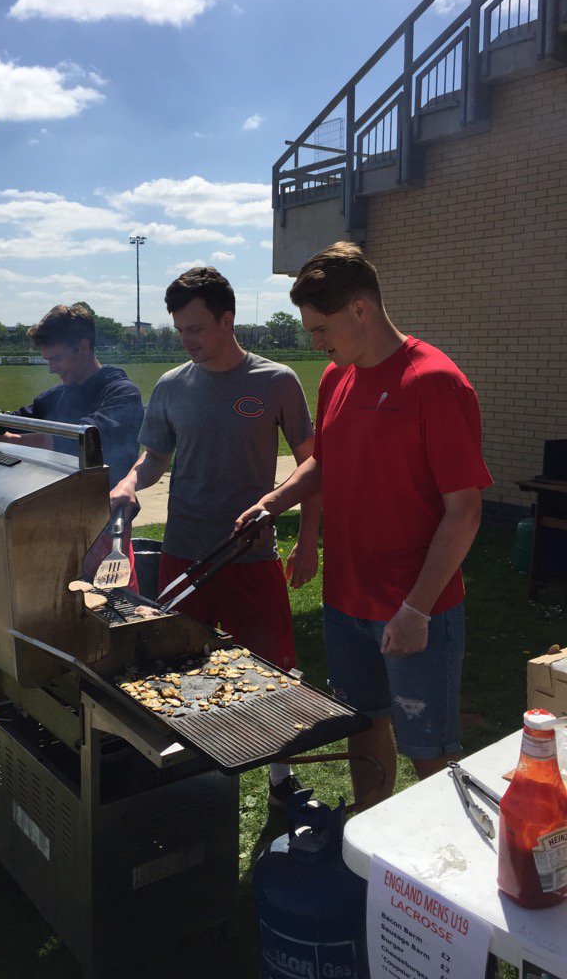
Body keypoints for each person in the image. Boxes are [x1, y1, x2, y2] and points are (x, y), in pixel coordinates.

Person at [236, 242, 493, 808]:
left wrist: (417, 609)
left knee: (429, 752)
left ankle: (442, 856)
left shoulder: (435, 383)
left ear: (360, 309)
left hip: (415, 606)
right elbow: (324, 463)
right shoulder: (337, 378)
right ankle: (368, 841)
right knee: (363, 729)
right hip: (345, 600)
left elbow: (465, 511)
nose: (316, 343)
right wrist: (273, 502)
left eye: (320, 329)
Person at [109, 266, 321, 807]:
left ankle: (280, 778)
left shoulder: (276, 381)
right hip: (185, 552)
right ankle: (192, 776)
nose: (187, 340)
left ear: (228, 320)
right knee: (182, 666)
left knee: (272, 667)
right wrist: (130, 481)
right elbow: (155, 457)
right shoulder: (172, 385)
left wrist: (307, 538)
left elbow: (314, 463)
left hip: (251, 555)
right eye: (181, 330)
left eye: (197, 329)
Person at [0, 303, 144, 581]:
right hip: (53, 522)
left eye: (57, 358)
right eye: (48, 360)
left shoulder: (121, 394)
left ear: (84, 347)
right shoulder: (56, 395)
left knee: (110, 597)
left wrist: (10, 439)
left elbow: (80, 439)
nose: (51, 369)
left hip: (104, 528)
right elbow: (16, 419)